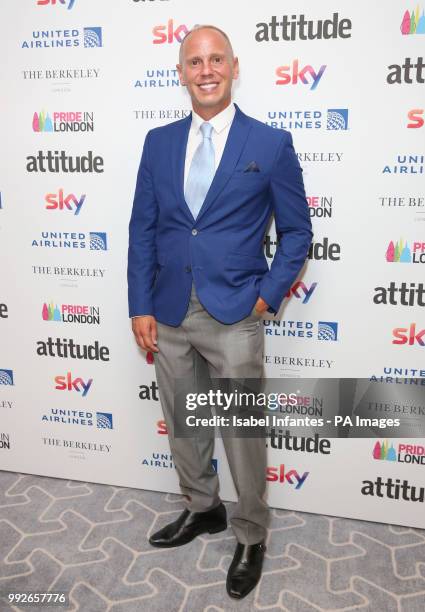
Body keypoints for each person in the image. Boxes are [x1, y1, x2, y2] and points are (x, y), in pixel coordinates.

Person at [127, 24, 313, 600]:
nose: (205, 71)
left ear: (234, 66)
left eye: (215, 60)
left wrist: (267, 294)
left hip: (235, 312)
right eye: (193, 62)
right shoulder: (158, 142)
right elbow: (144, 228)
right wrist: (139, 305)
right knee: (185, 425)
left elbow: (298, 233)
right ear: (181, 72)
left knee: (241, 433)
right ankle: (202, 508)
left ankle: (252, 533)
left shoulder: (269, 143)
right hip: (168, 310)